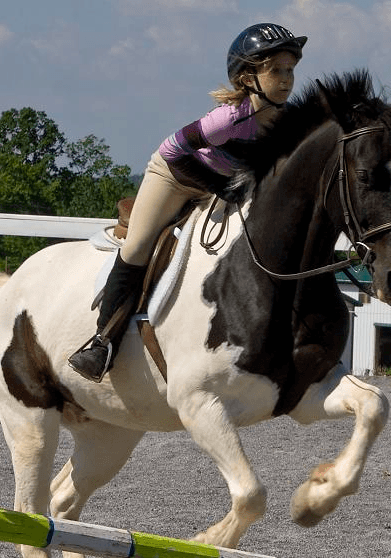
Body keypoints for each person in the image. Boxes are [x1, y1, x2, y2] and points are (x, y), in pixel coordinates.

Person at [69, 23, 307, 381]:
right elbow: (173, 150)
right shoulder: (228, 119)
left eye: (290, 70)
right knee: (137, 247)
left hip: (221, 183)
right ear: (247, 77)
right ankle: (103, 343)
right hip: (173, 177)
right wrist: (215, 183)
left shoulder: (287, 121)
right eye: (276, 70)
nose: (287, 79)